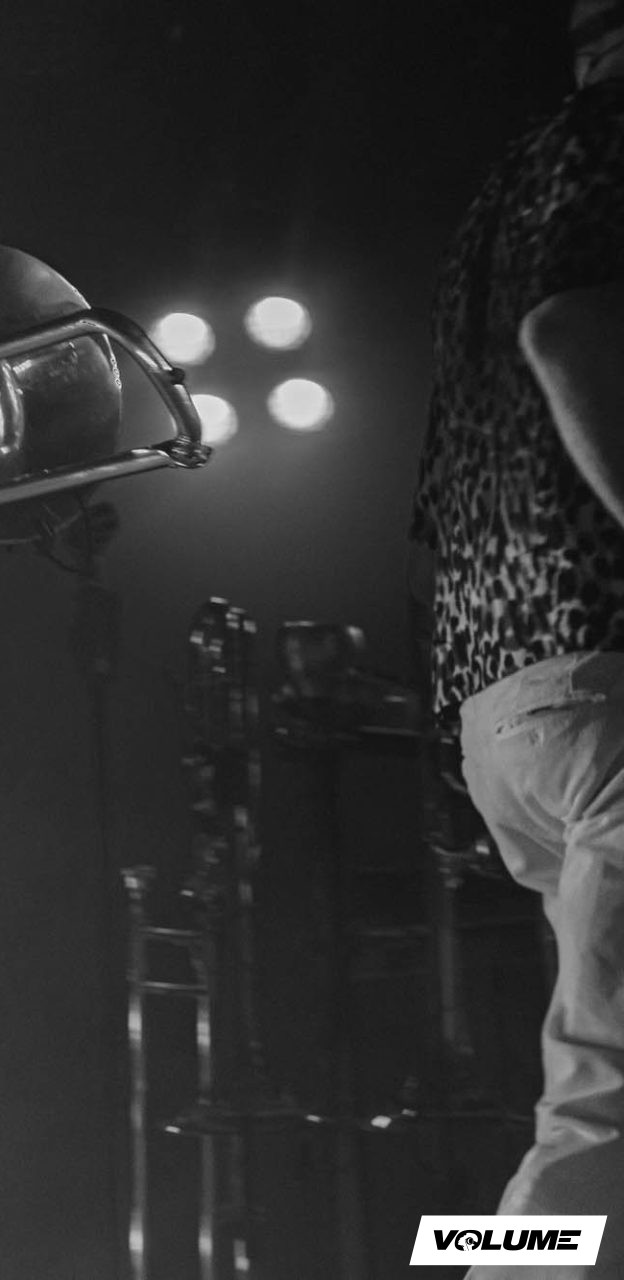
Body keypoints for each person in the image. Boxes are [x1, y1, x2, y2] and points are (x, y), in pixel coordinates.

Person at [409, 3, 624, 1273]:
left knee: (592, 1095)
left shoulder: (515, 178)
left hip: (516, 702)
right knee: (601, 1110)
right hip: (607, 686)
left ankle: (480, 1249)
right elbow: (568, 336)